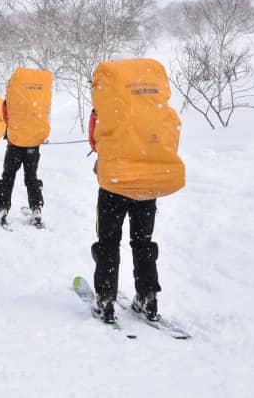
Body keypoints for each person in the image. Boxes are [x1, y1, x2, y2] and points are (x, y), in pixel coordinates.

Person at [88, 58, 185, 324]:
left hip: (115, 184)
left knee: (108, 242)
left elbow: (95, 141)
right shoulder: (156, 111)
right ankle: (148, 296)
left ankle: (106, 299)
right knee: (143, 242)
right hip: (148, 183)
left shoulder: (105, 109)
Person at [0, 68, 52, 229]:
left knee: (8, 176)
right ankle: (36, 208)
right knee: (31, 177)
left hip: (15, 144)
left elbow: (6, 117)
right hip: (33, 144)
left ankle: (4, 208)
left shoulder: (12, 101)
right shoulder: (37, 101)